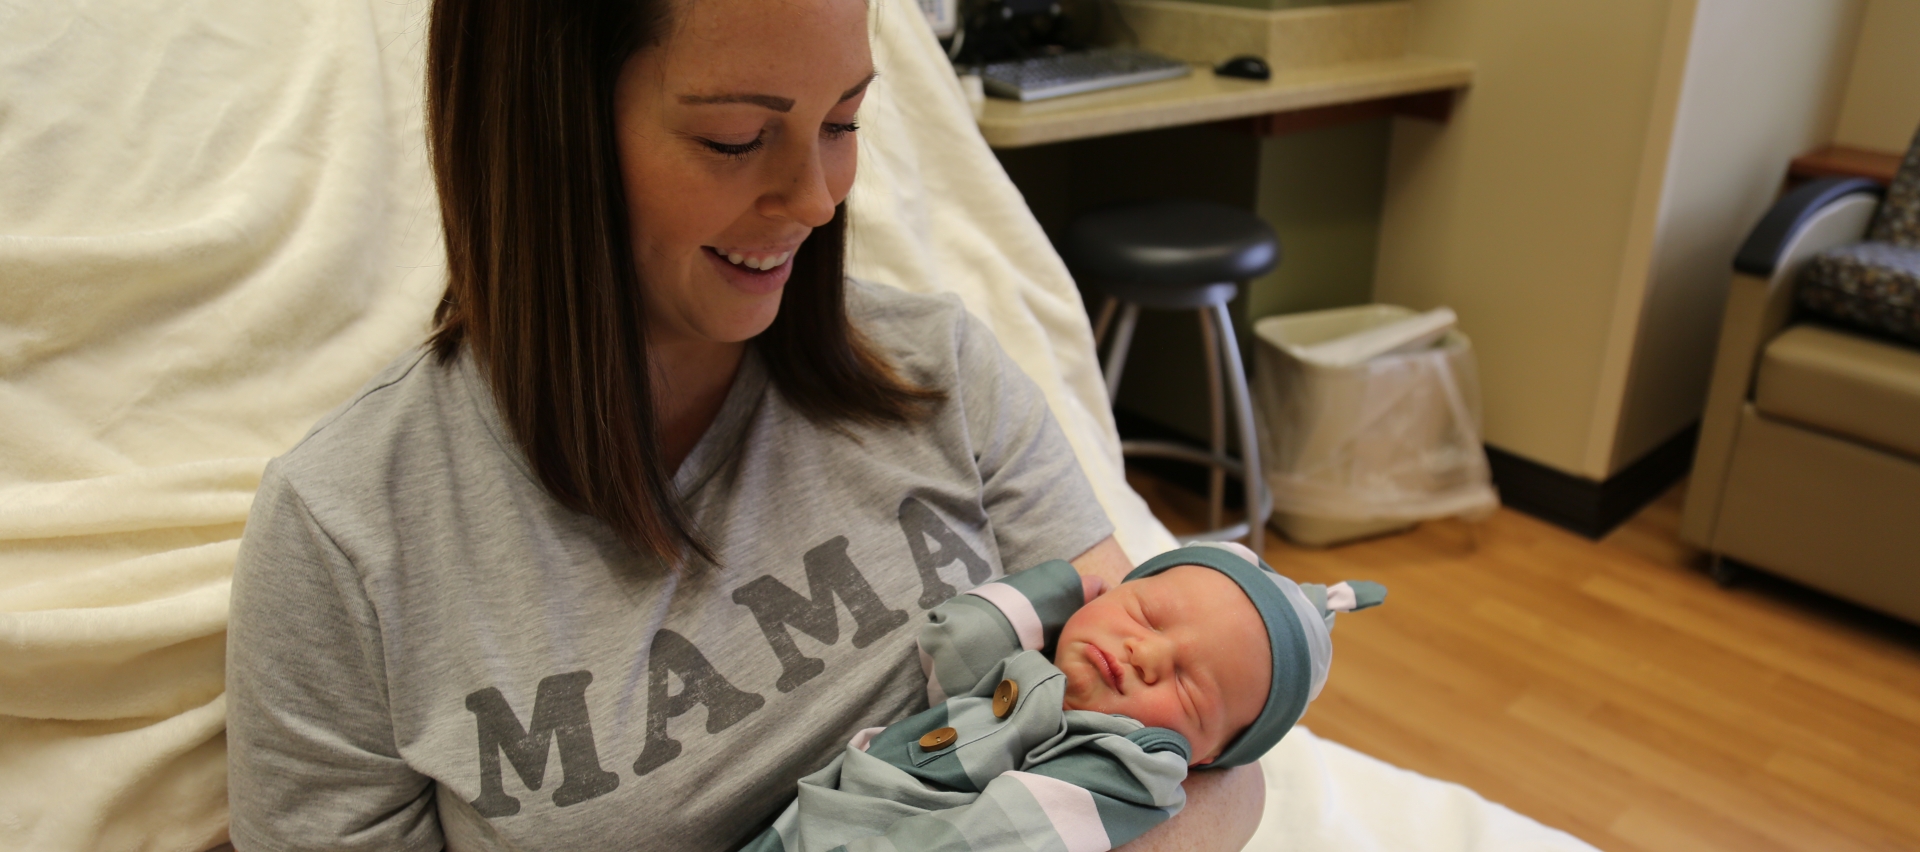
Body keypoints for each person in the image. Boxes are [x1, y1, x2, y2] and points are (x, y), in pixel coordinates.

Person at [222, 0, 1265, 849]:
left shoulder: (941, 375)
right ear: (547, 137)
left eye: (844, 122)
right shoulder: (347, 537)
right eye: (735, 138)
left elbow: (1207, 759)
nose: (815, 198)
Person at [743, 544, 1385, 852]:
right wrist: (1056, 596)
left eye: (1190, 684)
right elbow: (949, 642)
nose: (1146, 653)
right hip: (812, 821)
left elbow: (1002, 838)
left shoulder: (1129, 766)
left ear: (1205, 758)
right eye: (1148, 614)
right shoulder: (1028, 673)